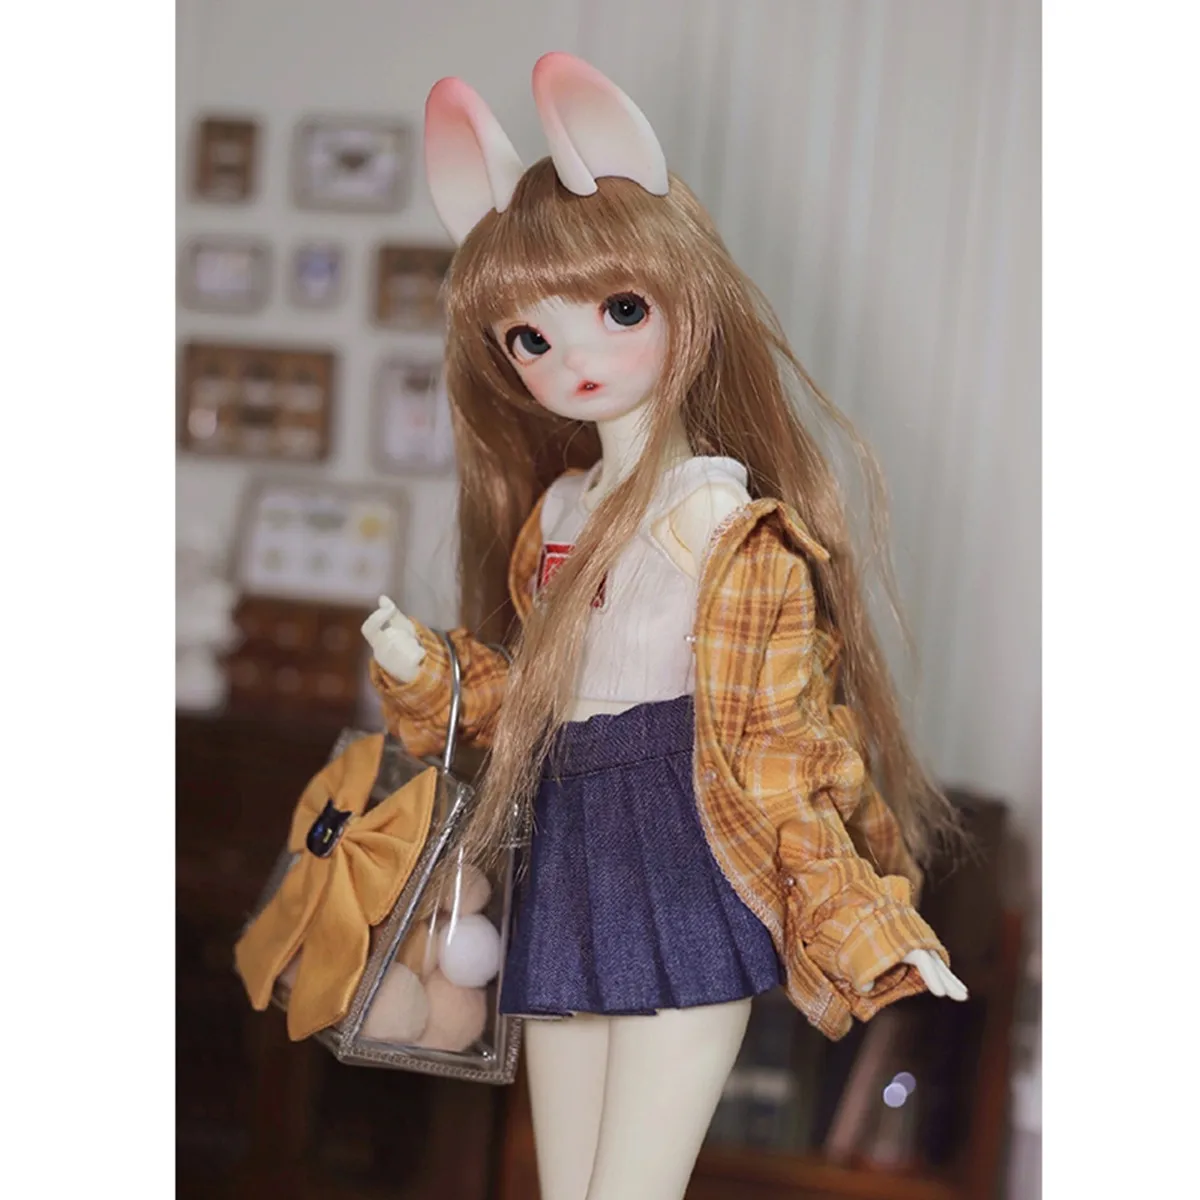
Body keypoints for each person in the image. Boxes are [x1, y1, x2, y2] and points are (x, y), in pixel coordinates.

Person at [362, 51, 966, 1200]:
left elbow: (780, 748)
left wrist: (864, 919)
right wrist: (426, 670)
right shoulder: (558, 512)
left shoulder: (719, 520)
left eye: (618, 311)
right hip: (569, 835)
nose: (574, 358)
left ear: (688, 298)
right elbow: (528, 701)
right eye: (530, 339)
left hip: (684, 840)